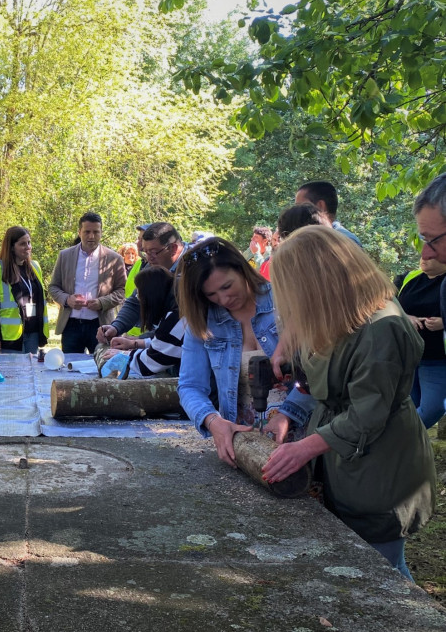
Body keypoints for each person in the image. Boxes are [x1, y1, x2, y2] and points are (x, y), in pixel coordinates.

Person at [264, 226, 436, 581]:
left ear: (318, 281)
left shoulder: (382, 326)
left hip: (382, 466)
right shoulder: (337, 317)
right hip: (344, 462)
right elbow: (324, 380)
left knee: (384, 571)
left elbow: (366, 416)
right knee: (356, 564)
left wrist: (304, 449)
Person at [176, 237, 315, 466]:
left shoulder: (286, 302)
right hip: (244, 449)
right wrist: (213, 421)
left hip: (305, 439)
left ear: (242, 268)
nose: (223, 299)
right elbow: (190, 386)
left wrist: (288, 414)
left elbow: (319, 370)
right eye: (211, 295)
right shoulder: (202, 322)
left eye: (227, 286)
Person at [97, 222, 188, 345]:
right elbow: (136, 301)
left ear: (173, 248)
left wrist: (143, 341)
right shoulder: (154, 265)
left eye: (153, 252)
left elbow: (180, 324)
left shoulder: (193, 270)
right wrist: (116, 327)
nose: (149, 258)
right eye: (145, 252)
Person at [48, 212, 126, 353]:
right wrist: (67, 299)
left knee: (102, 368)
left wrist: (102, 302)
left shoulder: (114, 259)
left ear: (101, 232)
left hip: (100, 326)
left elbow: (122, 291)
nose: (91, 236)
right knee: (70, 369)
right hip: (71, 325)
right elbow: (53, 287)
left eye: (96, 232)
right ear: (79, 232)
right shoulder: (64, 256)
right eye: (87, 232)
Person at [103, 266, 185, 377]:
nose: (139, 300)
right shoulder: (173, 299)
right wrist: (136, 343)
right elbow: (166, 341)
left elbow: (152, 362)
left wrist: (125, 355)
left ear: (150, 297)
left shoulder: (178, 314)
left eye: (140, 296)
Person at [396, 257, 446, 430]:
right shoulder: (409, 278)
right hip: (409, 357)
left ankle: (399, 440)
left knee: (433, 407)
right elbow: (386, 303)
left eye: (432, 255)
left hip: (438, 359)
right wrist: (406, 317)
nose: (424, 257)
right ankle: (405, 448)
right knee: (409, 407)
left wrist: (444, 322)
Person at [0, 226, 49, 354]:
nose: (28, 247)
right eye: (22, 244)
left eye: (29, 243)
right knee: (14, 373)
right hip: (11, 336)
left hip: (34, 332)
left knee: (32, 372)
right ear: (11, 247)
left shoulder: (35, 267)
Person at [295, 181, 361, 246]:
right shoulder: (311, 237)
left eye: (300, 206)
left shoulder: (344, 241)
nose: (296, 211)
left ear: (320, 206)